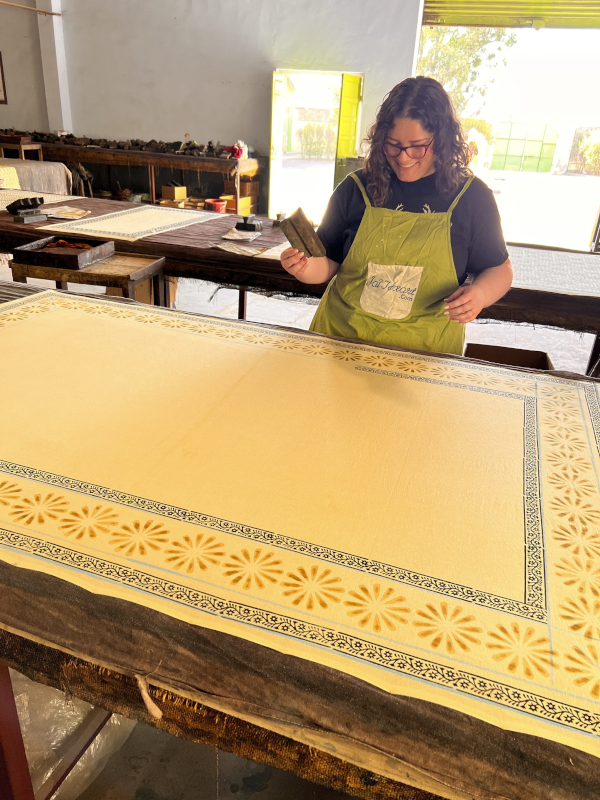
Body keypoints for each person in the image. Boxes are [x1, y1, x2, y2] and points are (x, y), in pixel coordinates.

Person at [279, 76, 512, 356]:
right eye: (393, 144)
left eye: (417, 146)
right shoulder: (356, 189)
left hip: (424, 353)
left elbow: (501, 269)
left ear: (443, 139)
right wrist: (304, 268)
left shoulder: (471, 197)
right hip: (341, 343)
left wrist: (481, 294)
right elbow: (328, 266)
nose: (403, 157)